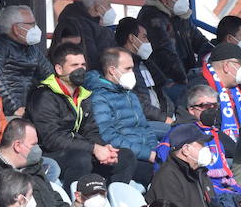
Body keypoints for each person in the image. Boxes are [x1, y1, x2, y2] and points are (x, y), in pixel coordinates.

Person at [27, 42, 135, 187]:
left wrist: (104, 148)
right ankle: (76, 203)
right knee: (81, 159)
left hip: (78, 148)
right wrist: (93, 148)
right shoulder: (44, 95)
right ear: (59, 69)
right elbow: (52, 139)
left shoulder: (83, 94)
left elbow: (91, 130)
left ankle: (109, 199)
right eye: (74, 65)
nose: (81, 69)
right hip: (48, 153)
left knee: (125, 156)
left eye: (83, 65)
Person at [86, 47, 160, 182]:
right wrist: (148, 154)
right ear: (112, 71)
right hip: (128, 158)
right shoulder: (99, 97)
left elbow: (145, 128)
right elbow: (108, 136)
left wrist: (155, 151)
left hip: (146, 154)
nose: (132, 73)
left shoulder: (130, 94)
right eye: (128, 69)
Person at [145, 123, 217, 207]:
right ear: (186, 150)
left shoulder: (199, 173)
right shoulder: (167, 177)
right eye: (201, 144)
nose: (206, 149)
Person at [137, 0, 208, 96]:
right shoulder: (152, 18)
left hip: (185, 77)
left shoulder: (179, 16)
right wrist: (183, 79)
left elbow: (200, 42)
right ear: (164, 0)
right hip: (167, 82)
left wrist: (215, 53)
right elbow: (165, 52)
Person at [0, 5, 50, 115]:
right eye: (31, 24)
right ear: (16, 28)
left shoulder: (33, 49)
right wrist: (14, 107)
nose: (35, 28)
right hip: (5, 113)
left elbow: (49, 75)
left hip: (29, 109)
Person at [114, 16, 173, 128]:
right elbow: (136, 102)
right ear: (132, 38)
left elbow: (160, 92)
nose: (148, 42)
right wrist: (165, 119)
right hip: (143, 122)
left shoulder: (145, 62)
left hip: (161, 118)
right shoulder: (120, 67)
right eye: (144, 37)